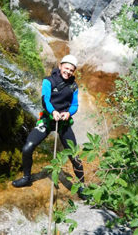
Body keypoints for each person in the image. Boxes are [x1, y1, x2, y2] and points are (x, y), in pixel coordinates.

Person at [12, 55, 85, 194]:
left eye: (71, 70)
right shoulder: (48, 81)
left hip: (63, 122)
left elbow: (75, 105)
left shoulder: (74, 86)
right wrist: (53, 112)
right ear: (60, 66)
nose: (68, 72)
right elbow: (45, 100)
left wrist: (68, 113)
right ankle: (27, 177)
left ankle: (83, 186)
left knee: (74, 155)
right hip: (47, 119)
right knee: (28, 147)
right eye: (66, 68)